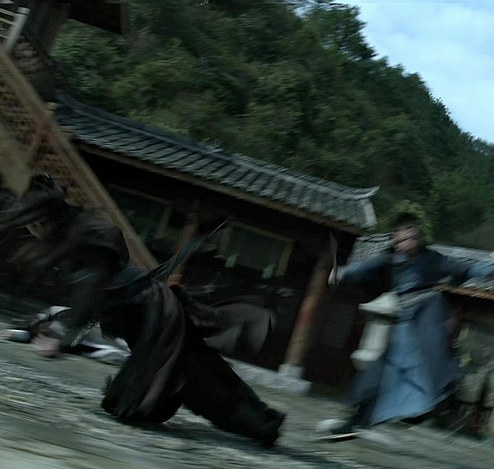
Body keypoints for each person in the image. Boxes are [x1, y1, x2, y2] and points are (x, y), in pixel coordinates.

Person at [0, 174, 285, 446]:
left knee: (195, 380)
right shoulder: (85, 234)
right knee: (198, 367)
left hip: (151, 314)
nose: (31, 231)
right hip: (152, 309)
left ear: (42, 221)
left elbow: (91, 289)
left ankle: (260, 424)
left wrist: (63, 338)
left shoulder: (84, 242)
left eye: (33, 224)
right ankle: (262, 419)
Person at [319, 211, 494, 438]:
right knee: (377, 375)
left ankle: (430, 407)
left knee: (428, 370)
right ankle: (354, 422)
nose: (410, 243)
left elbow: (467, 268)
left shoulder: (432, 259)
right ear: (396, 241)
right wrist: (341, 273)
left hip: (426, 319)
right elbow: (362, 268)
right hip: (403, 325)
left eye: (415, 237)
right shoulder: (387, 259)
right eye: (405, 238)